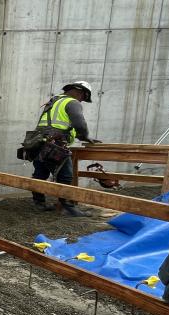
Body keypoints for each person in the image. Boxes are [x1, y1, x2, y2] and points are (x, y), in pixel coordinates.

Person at [30, 81, 103, 216]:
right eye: (84, 97)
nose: (82, 101)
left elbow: (53, 124)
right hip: (55, 143)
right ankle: (67, 207)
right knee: (66, 176)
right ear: (80, 91)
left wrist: (79, 137)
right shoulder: (72, 102)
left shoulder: (54, 101)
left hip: (39, 141)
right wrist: (85, 136)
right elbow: (79, 123)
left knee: (40, 174)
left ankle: (38, 204)